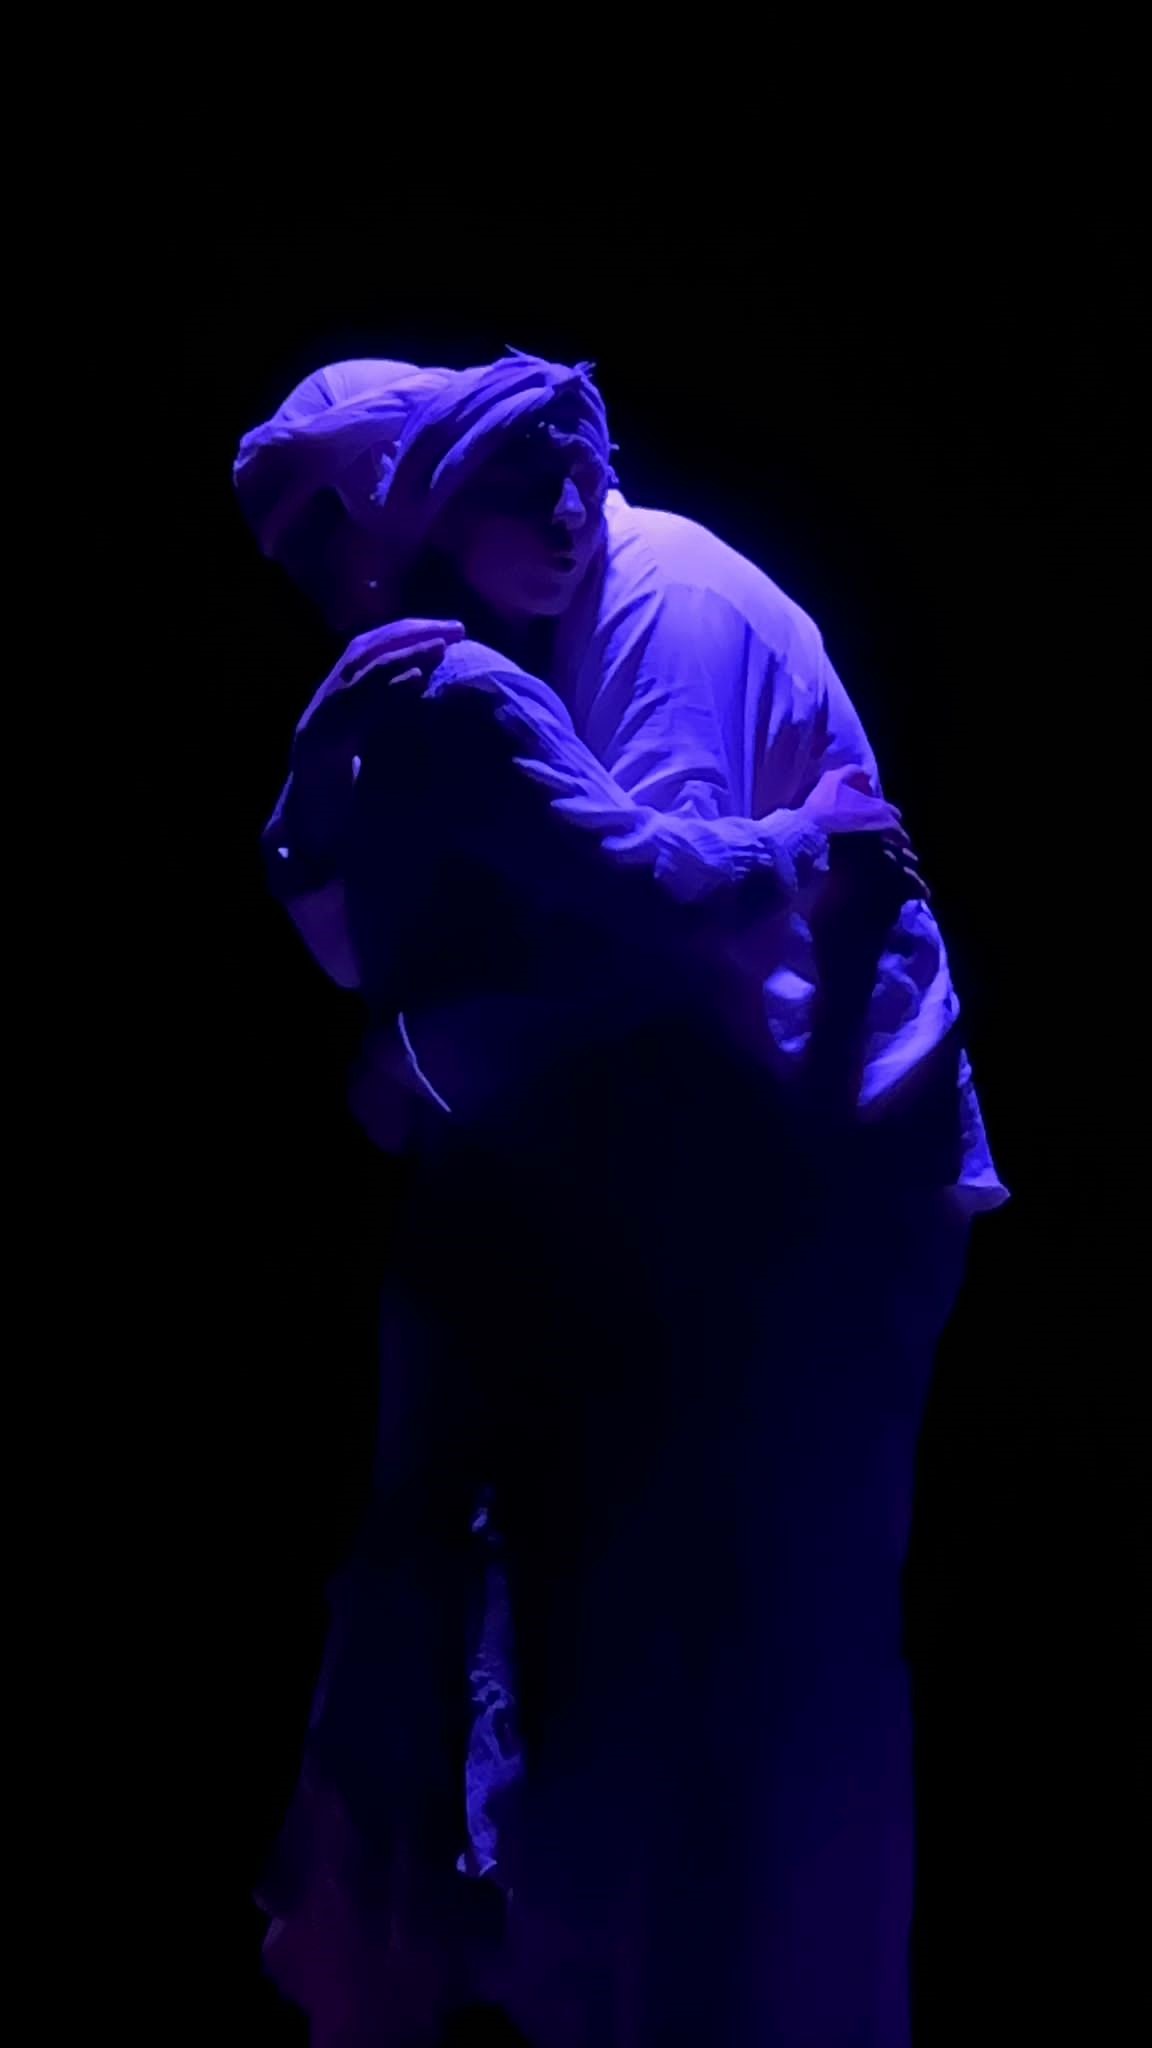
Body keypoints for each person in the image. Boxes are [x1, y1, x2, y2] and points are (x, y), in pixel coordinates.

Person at [235, 352, 1006, 2047]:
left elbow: (654, 931)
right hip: (685, 1216)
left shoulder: (652, 611)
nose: (343, 577)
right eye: (314, 554)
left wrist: (426, 1055)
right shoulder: (453, 674)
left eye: (350, 529)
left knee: (765, 1689)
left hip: (805, 1201)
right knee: (623, 1692)